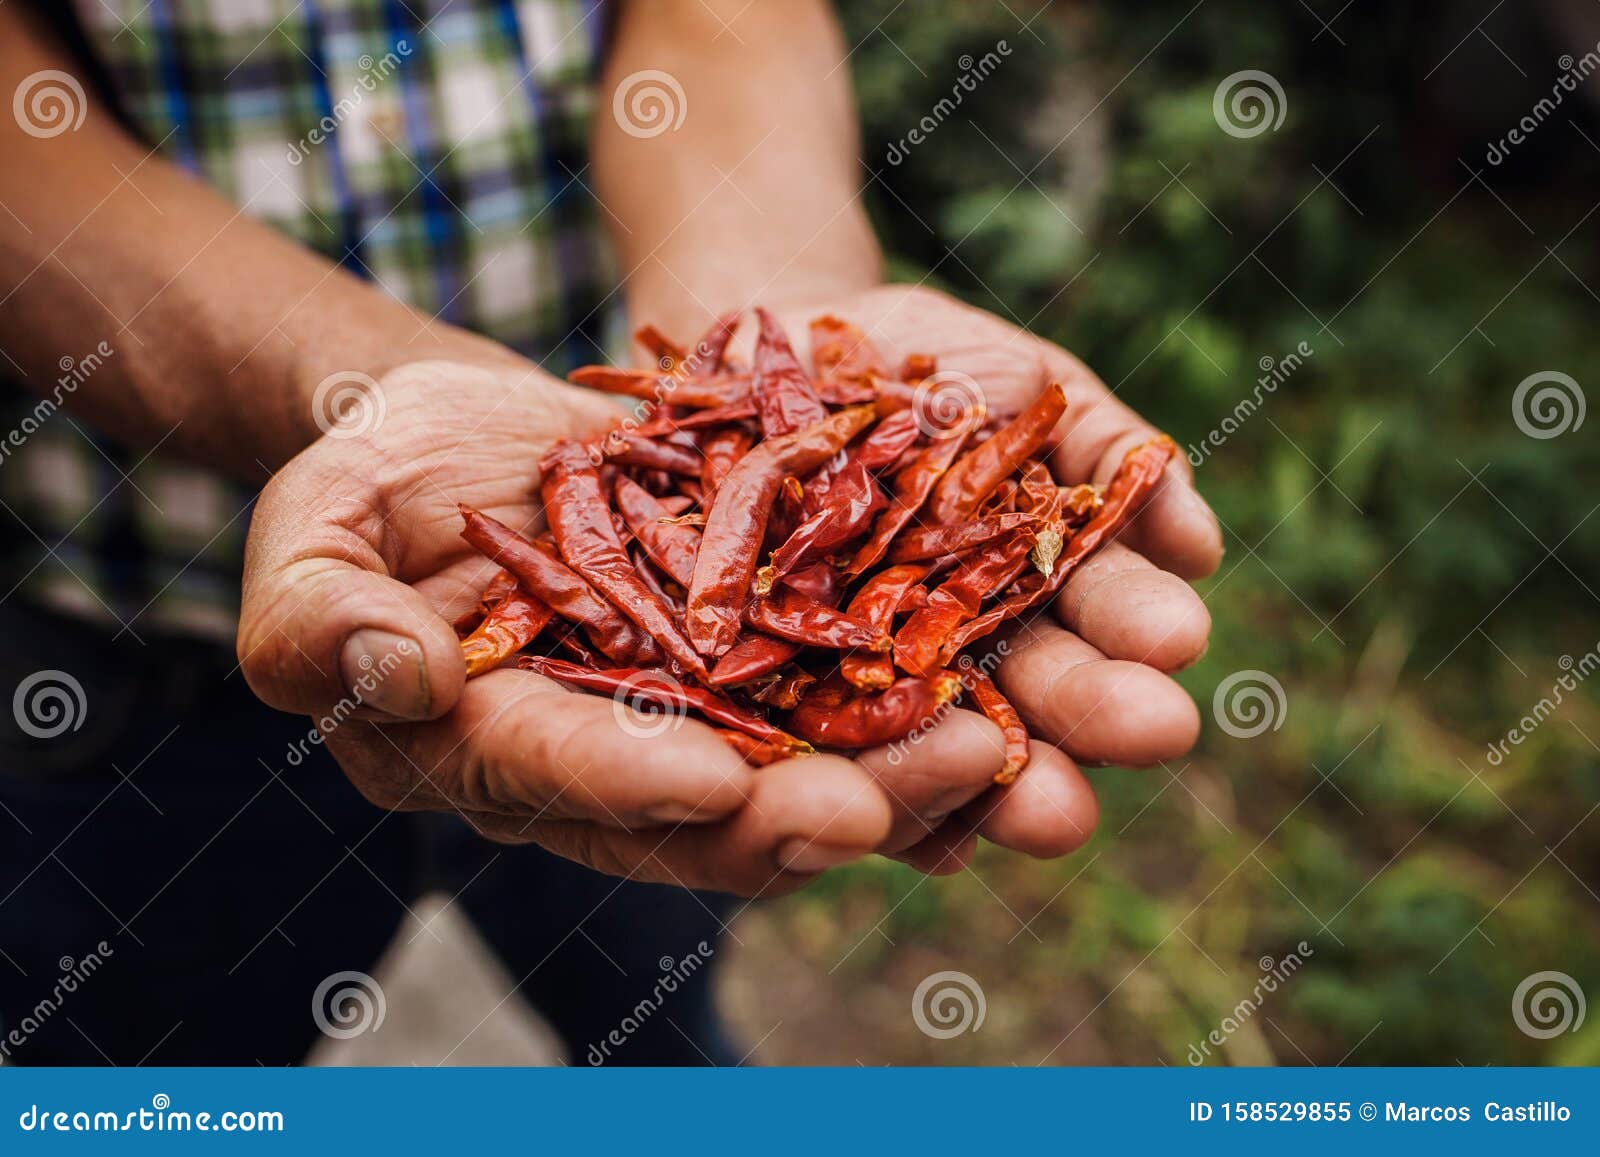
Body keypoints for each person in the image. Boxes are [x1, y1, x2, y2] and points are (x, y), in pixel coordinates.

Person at [0, 0, 1219, 1066]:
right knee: (124, 1069)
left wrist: (761, 313)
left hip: (611, 666)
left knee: (659, 1011)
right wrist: (366, 390)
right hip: (127, 651)